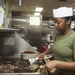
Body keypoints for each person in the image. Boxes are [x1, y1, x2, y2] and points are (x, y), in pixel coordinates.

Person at [37, 7, 75, 75]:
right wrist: (44, 53)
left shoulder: (73, 37)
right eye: (55, 22)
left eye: (58, 22)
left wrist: (56, 63)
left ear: (68, 22)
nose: (55, 25)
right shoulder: (58, 35)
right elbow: (56, 46)